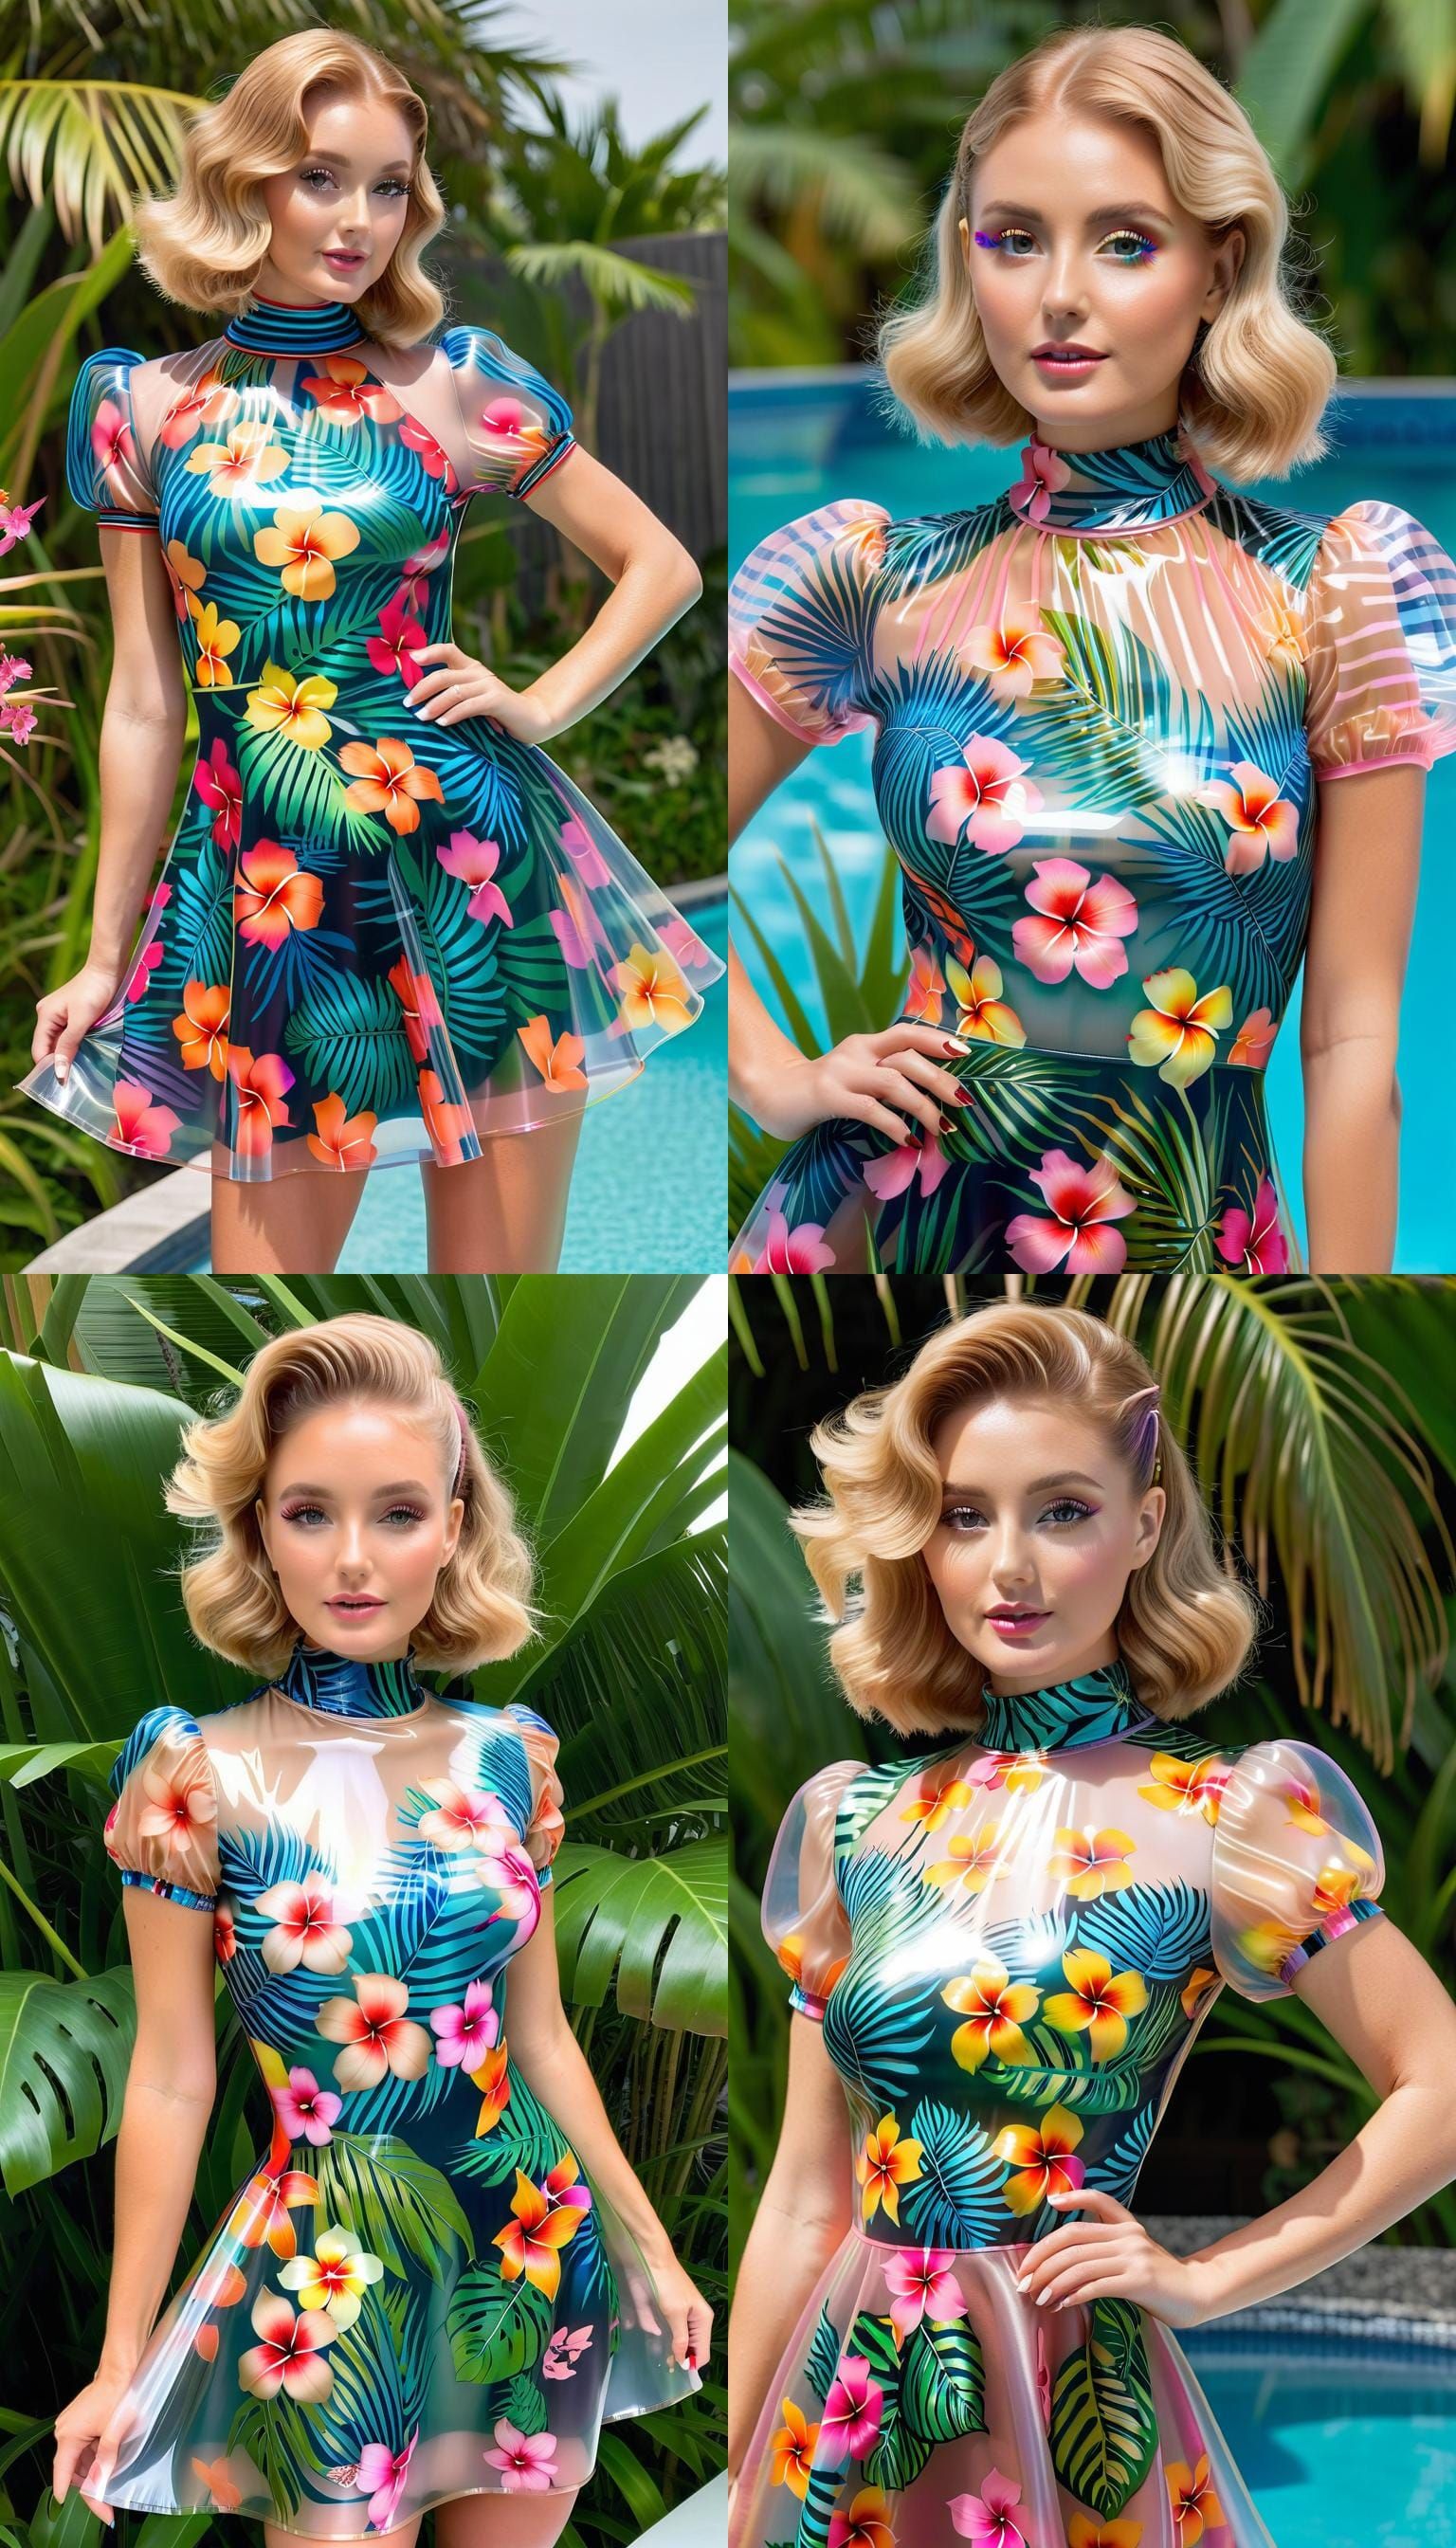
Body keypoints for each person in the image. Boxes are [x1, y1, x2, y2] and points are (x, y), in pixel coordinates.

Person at [726, 24, 1456, 1278]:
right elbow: (637, 859)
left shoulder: (1332, 591)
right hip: (872, 1237)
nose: (1060, 294)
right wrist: (779, 1082)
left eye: (1125, 242)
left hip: (1195, 1248)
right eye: (1014, 240)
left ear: (1220, 268)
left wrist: (1350, 1346)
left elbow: (1351, 1046)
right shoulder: (876, 573)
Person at [728, 1300, 1456, 2548]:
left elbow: (1438, 2083)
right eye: (966, 1515)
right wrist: (744, 2481)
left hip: (1075, 2402)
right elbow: (805, 2203)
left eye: (1061, 1510)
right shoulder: (855, 1826)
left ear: (1146, 1525)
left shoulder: (1231, 1818)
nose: (1008, 1565)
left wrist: (1211, 2278)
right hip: (848, 2416)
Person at [24, 29, 721, 1276]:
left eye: (389, 185)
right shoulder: (143, 408)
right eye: (322, 177)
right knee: (262, 1319)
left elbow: (659, 564)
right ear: (246, 183)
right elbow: (142, 704)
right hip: (275, 899)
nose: (359, 219)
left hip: (474, 868)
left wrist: (542, 703)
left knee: (502, 1324)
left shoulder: (455, 384)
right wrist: (101, 952)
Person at [51, 1313, 711, 2542]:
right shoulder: (198, 1770)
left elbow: (544, 2043)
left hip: (528, 2243)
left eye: (399, 1513)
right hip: (329, 2279)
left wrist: (653, 2249)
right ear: (259, 1530)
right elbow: (172, 2076)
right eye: (310, 1512)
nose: (354, 1557)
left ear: (454, 1527)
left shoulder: (511, 1759)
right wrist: (119, 2358)